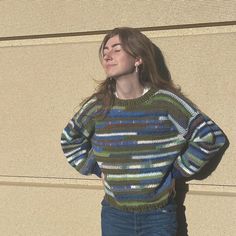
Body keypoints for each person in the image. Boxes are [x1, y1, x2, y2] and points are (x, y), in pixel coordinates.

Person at [61, 27, 228, 236]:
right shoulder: (98, 106)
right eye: (105, 50)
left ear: (138, 58)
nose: (107, 55)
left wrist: (176, 171)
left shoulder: (166, 101)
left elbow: (210, 138)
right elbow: (70, 139)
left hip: (158, 215)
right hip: (115, 215)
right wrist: (95, 167)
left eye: (116, 49)